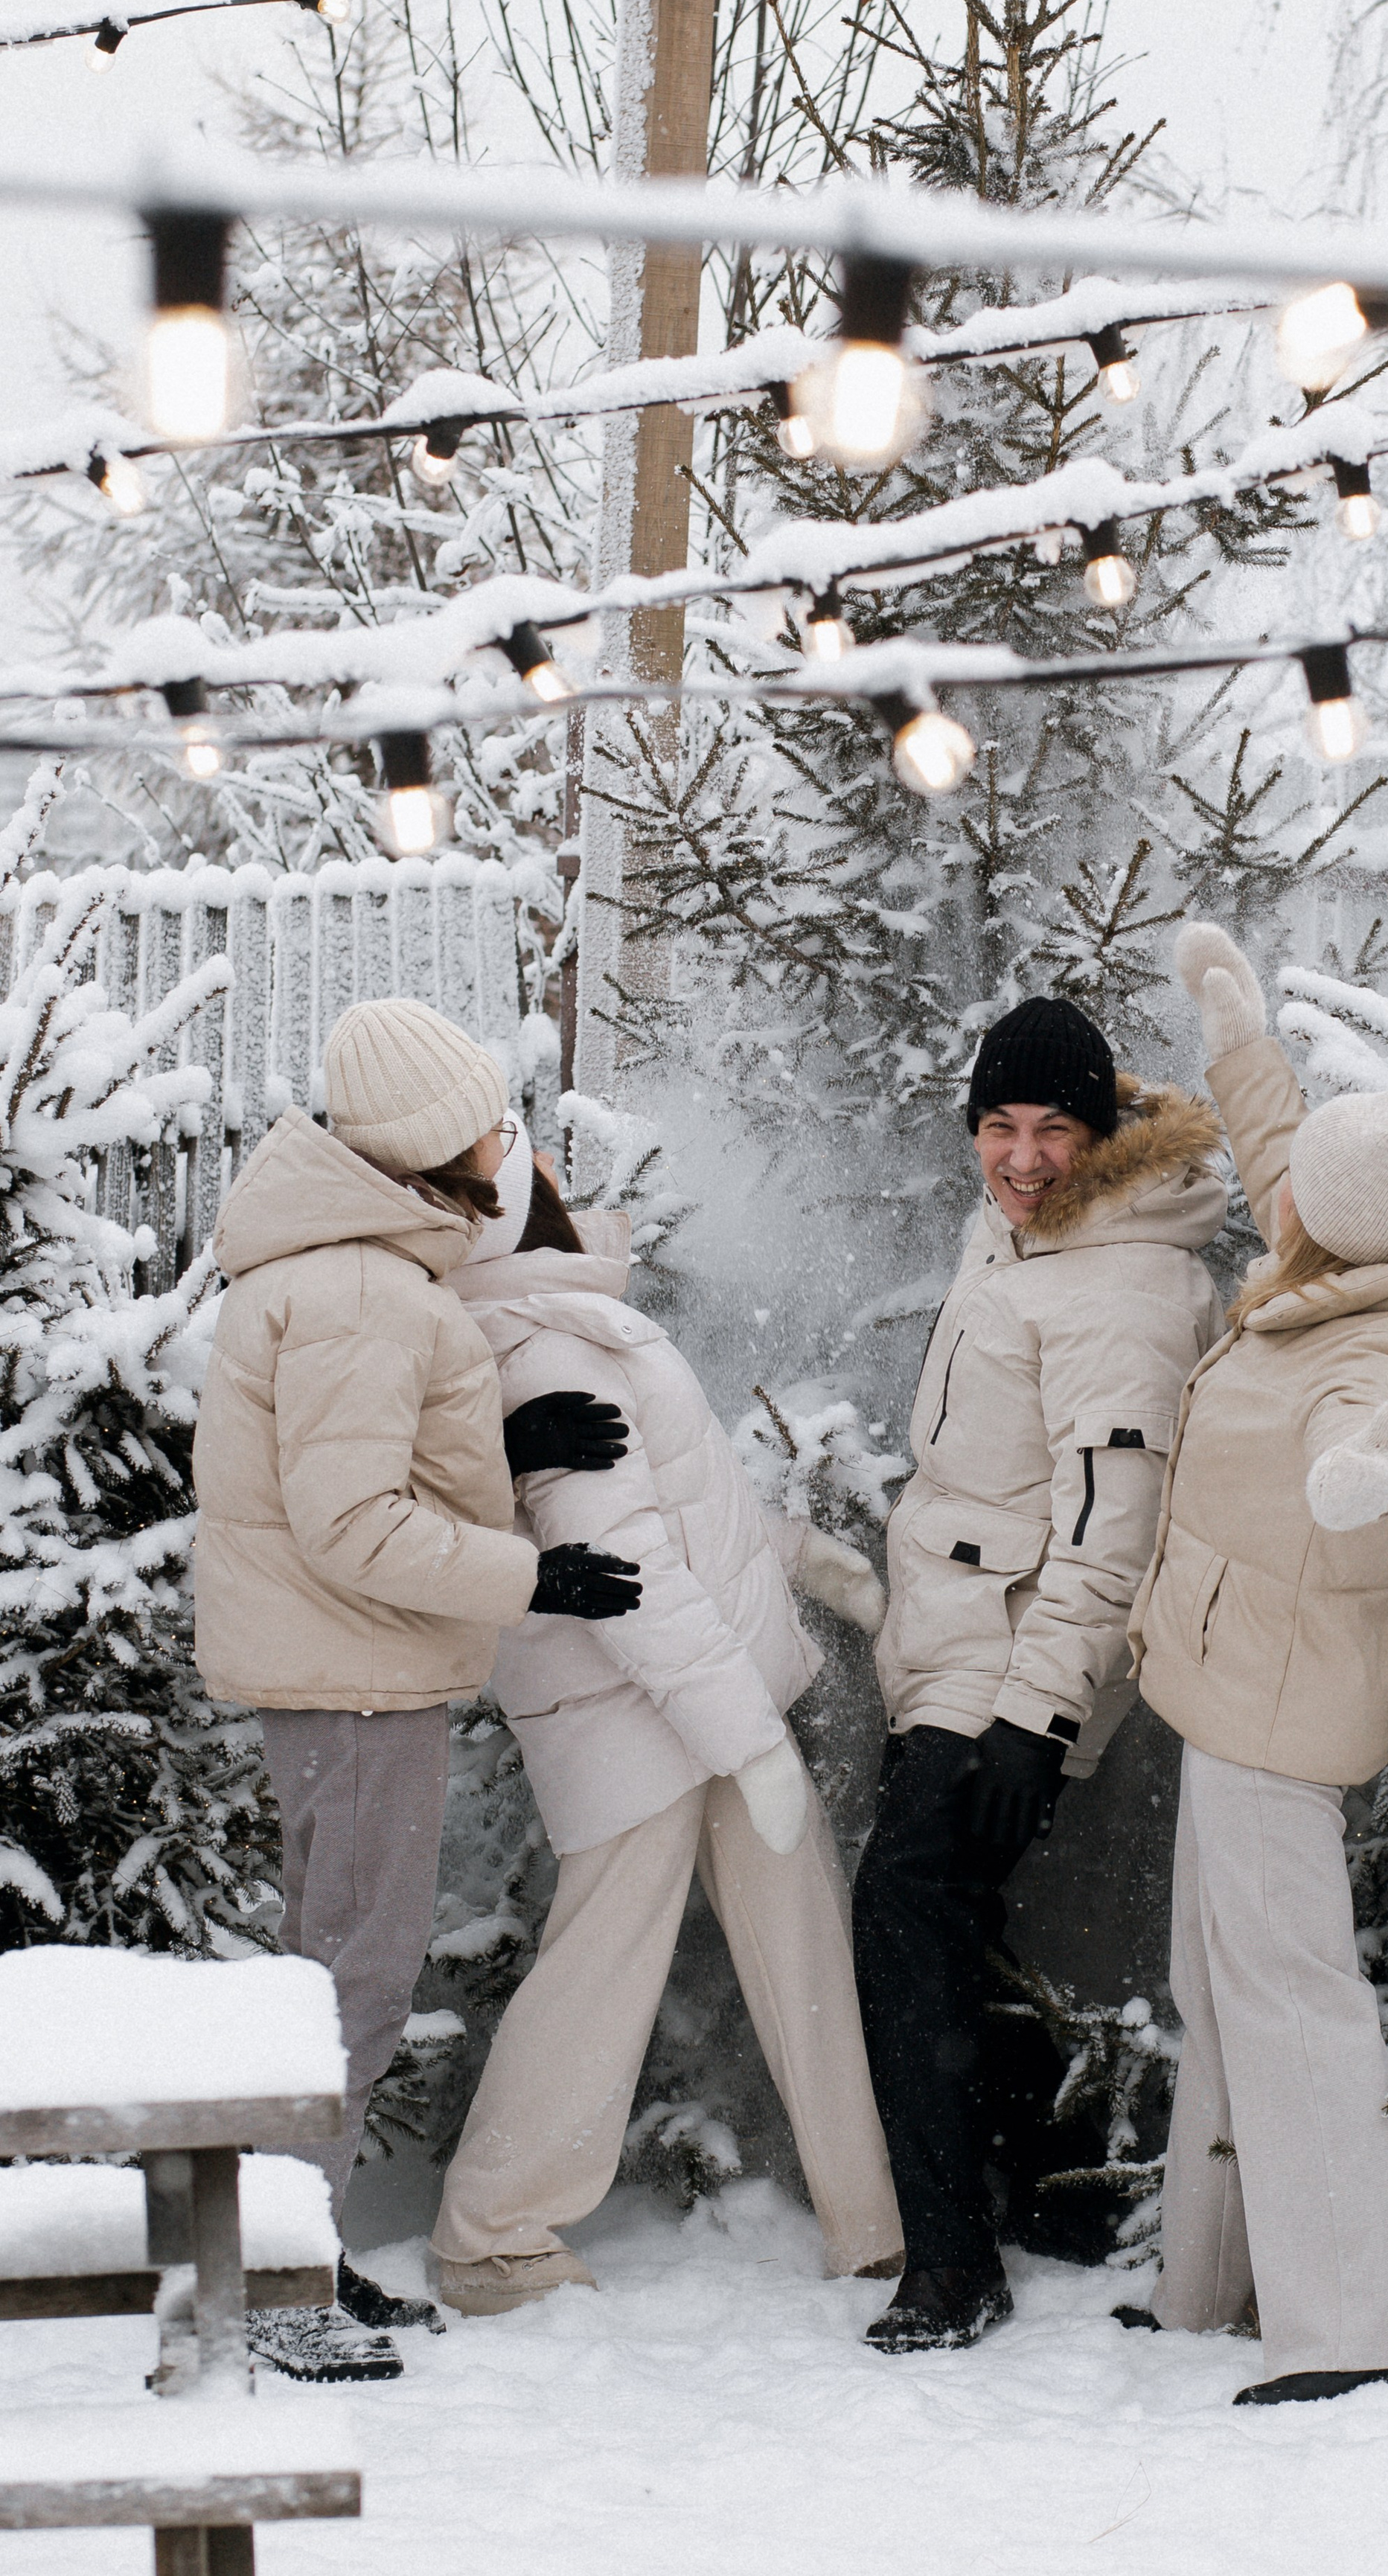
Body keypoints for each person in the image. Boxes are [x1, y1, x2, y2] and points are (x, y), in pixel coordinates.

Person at [193, 999, 642, 2380]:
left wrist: (508, 1434)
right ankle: (276, 2288)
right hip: (358, 1676)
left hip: (344, 1670)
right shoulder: (363, 1288)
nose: (508, 1144)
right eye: (491, 1123)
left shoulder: (352, 1267)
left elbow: (370, 1451)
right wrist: (534, 1576)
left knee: (325, 1972)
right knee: (355, 1981)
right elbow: (354, 1523)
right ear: (436, 1146)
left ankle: (293, 2250)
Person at [427, 1124, 904, 2313]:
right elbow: (625, 1570)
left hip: (703, 1698)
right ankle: (492, 2233)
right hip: (638, 1720)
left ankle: (876, 2220)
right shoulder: (543, 1347)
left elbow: (674, 1505)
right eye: (521, 1160)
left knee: (806, 1953)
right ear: (507, 1207)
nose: (551, 1167)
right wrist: (748, 1739)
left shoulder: (563, 1318)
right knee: (600, 1972)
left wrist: (796, 1554)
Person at [1125, 923, 1388, 2409]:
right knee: (1220, 1988)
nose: (1286, 1222)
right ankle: (1209, 2285)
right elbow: (1284, 1155)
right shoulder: (1339, 1243)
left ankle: (1355, 2331)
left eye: (1309, 1217)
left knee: (1290, 1999)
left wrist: (1362, 1467)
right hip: (1229, 1680)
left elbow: (1380, 1415)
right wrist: (1238, 1030)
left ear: (1362, 1236)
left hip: (1281, 1708)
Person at [854, 993, 1224, 2353]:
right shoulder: (1028, 1234)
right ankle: (1053, 2194)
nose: (1021, 1158)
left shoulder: (1123, 1283)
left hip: (1012, 1657)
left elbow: (1117, 1527)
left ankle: (953, 2262)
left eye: (1054, 1129)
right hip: (961, 1633)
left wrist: (1036, 1716)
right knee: (949, 1919)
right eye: (997, 1127)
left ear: (1101, 1133)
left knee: (903, 1911)